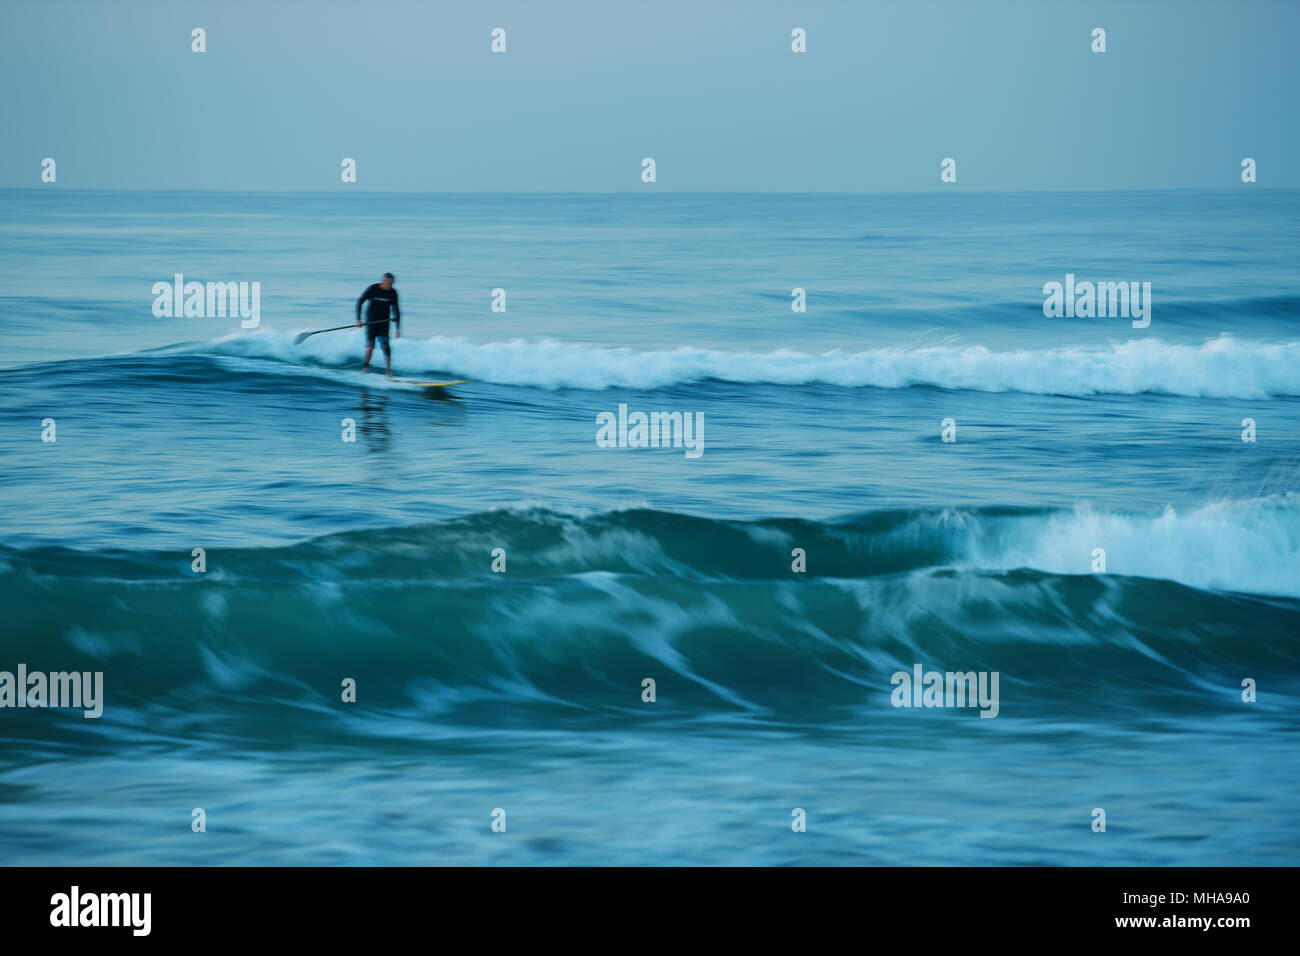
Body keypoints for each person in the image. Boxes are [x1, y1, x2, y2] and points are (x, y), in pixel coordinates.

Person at [355, 273, 401, 376]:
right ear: (383, 282)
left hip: (384, 323)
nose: (391, 286)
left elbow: (396, 310)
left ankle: (388, 370)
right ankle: (366, 368)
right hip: (371, 322)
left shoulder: (393, 292)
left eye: (392, 283)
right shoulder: (373, 289)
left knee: (385, 345)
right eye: (389, 283)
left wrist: (398, 328)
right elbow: (359, 302)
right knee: (370, 347)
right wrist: (358, 320)